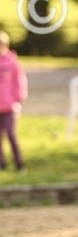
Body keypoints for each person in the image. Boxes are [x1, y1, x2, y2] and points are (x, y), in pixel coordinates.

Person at [0, 31, 28, 172]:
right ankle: (2, 164)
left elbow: (19, 83)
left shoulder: (12, 61)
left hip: (10, 106)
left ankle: (19, 163)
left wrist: (18, 100)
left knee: (11, 134)